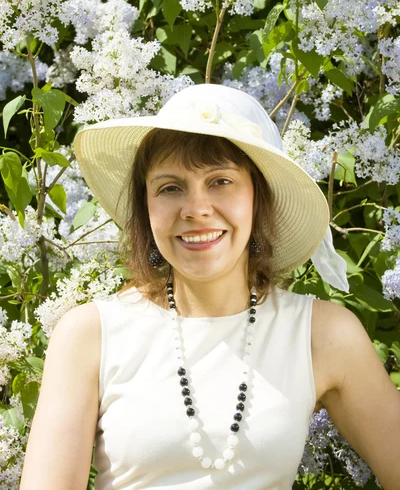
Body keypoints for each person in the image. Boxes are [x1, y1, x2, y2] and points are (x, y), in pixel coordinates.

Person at [19, 84, 400, 490]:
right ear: (145, 207)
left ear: (258, 196)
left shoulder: (321, 335)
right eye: (170, 187)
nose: (196, 209)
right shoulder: (90, 335)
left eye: (220, 181)